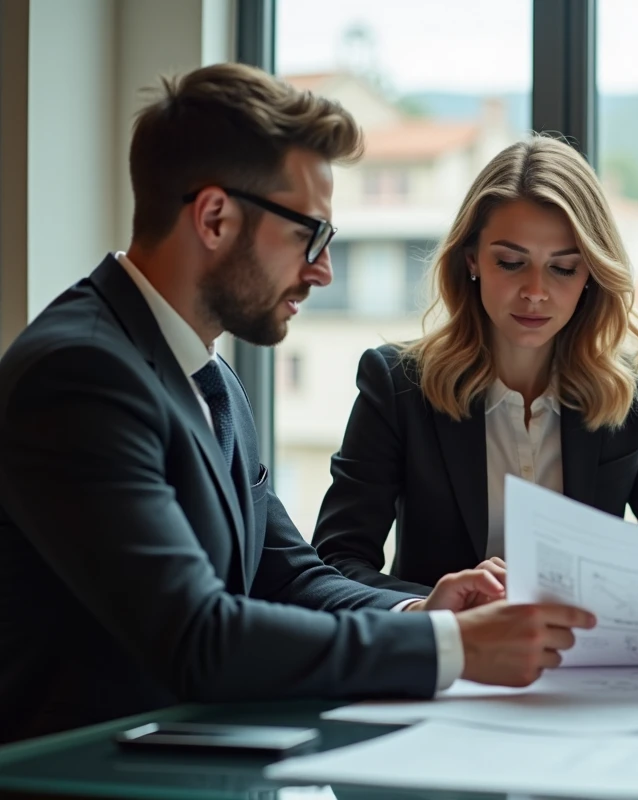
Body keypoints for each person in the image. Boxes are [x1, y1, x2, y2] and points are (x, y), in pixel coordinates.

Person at [0, 64, 594, 745]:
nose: (323, 270)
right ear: (215, 218)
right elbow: (197, 637)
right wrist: (454, 650)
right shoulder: (81, 375)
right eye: (308, 235)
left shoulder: (208, 377)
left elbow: (287, 575)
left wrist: (424, 616)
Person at [312, 135, 638, 593]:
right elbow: (336, 562)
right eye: (511, 262)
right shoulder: (397, 384)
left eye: (563, 268)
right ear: (472, 260)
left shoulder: (632, 386)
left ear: (590, 275)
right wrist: (434, 607)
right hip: (448, 637)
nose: (535, 292)